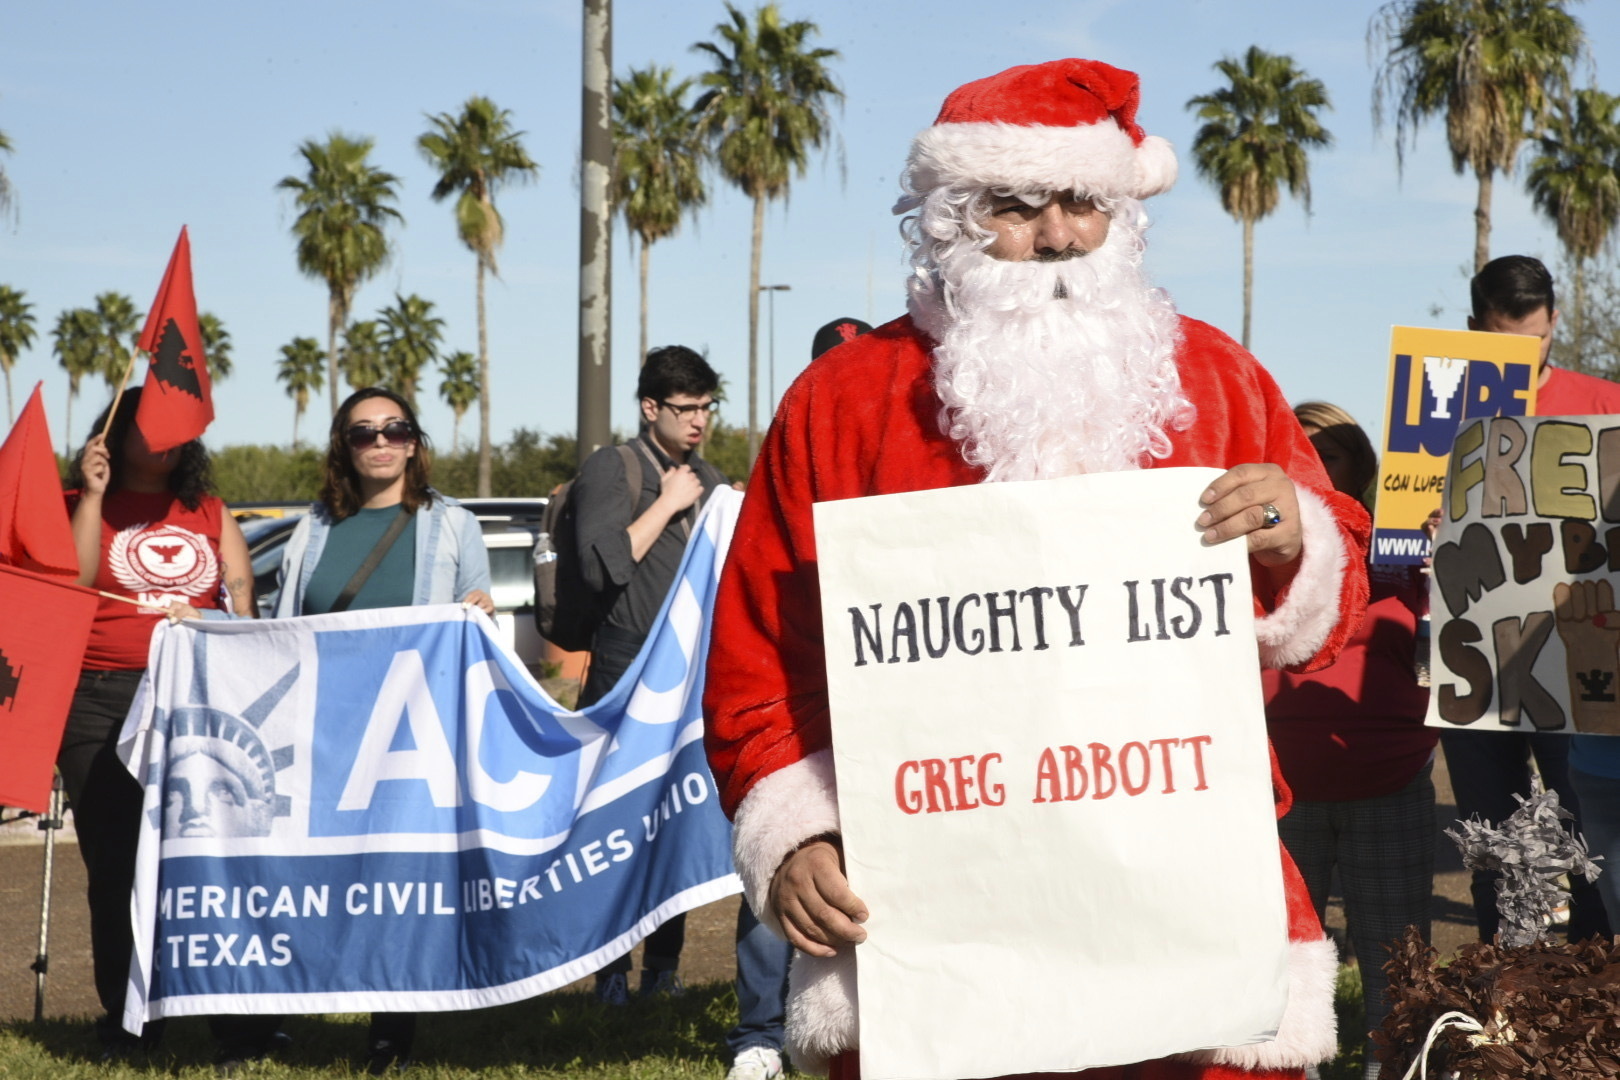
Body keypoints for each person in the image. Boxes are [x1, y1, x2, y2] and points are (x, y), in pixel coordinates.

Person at [703, 58, 1370, 1080]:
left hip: (1192, 931)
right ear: (950, 217)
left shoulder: (1218, 378)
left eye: (1085, 204)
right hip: (933, 943)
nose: (1058, 234)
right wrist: (794, 839)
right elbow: (759, 668)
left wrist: (1297, 541)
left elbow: (1337, 593)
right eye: (1018, 205)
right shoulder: (841, 404)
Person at [266, 385, 493, 1074]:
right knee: (306, 873)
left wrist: (477, 611)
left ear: (416, 443)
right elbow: (277, 634)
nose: (381, 442)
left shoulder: (453, 525)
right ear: (344, 446)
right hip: (321, 733)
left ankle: (391, 1031)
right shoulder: (310, 528)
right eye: (364, 432)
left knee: (397, 882)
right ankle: (279, 1015)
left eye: (396, 429)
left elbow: (479, 642)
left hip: (406, 743)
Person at [58, 387, 255, 1058]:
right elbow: (74, 581)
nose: (165, 437)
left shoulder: (210, 511)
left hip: (195, 699)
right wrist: (90, 496)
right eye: (147, 425)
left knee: (204, 860)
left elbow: (245, 614)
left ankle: (231, 1017)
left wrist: (214, 621)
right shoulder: (82, 505)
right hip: (99, 699)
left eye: (178, 426)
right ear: (114, 433)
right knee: (115, 868)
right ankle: (133, 1020)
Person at [1439, 255, 1617, 946]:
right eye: (1502, 343)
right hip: (1477, 649)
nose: (1523, 357)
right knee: (1495, 837)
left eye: (1536, 340)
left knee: (1590, 828)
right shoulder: (1442, 409)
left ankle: (1594, 996)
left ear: (1555, 324)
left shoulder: (1605, 404)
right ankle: (1509, 992)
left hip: (1583, 648)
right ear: (1473, 328)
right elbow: (1403, 511)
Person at [1263, 402, 1435, 1080]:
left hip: (1386, 786)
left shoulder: (1403, 553)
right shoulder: (1248, 556)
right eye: (1294, 455)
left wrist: (1452, 550)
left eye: (1327, 455)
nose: (1309, 467)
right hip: (1279, 793)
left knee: (1398, 967)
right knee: (1281, 971)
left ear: (1357, 469)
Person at [723, 316, 874, 1080]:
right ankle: (758, 1028)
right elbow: (762, 664)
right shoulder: (807, 434)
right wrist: (790, 831)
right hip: (837, 770)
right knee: (783, 892)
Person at [570, 344, 729, 1003]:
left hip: (688, 674)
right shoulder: (616, 467)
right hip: (621, 666)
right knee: (616, 821)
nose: (699, 422)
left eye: (707, 408)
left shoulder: (711, 478)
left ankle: (664, 968)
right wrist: (666, 504)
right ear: (650, 407)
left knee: (676, 819)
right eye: (686, 409)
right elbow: (601, 566)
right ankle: (610, 970)